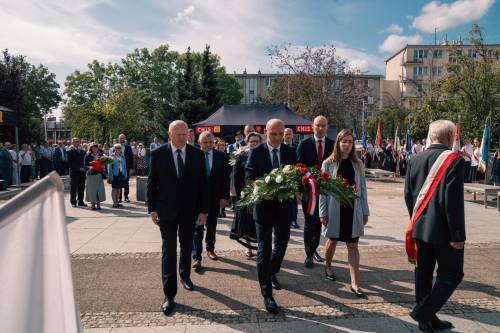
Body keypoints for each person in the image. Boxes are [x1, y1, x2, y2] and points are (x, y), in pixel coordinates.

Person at [404, 120, 465, 333]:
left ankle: (427, 319)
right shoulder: (454, 160)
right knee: (451, 274)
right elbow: (453, 202)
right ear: (450, 138)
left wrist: (417, 220)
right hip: (445, 231)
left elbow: (408, 196)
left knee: (424, 273)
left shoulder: (415, 159)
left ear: (430, 136)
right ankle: (423, 313)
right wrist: (457, 234)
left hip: (420, 226)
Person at [147, 120, 209, 316]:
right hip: (166, 211)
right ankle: (169, 294)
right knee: (169, 250)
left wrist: (203, 210)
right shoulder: (158, 154)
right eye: (178, 134)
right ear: (170, 134)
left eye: (185, 134)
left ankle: (185, 275)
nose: (183, 137)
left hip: (190, 211)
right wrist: (152, 209)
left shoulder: (197, 154)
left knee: (187, 246)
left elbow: (203, 185)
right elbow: (152, 183)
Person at [245, 119, 297, 314]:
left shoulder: (290, 152)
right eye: (272, 133)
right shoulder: (256, 152)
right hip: (263, 208)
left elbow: (296, 176)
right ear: (265, 132)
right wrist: (258, 188)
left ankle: (271, 272)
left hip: (284, 208)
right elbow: (249, 178)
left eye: (279, 134)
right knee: (264, 250)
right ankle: (267, 294)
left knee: (282, 244)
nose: (276, 138)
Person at [319, 129, 370, 298]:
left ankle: (355, 282)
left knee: (353, 244)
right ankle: (328, 266)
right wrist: (322, 212)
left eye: (350, 141)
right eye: (344, 141)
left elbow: (362, 189)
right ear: (338, 143)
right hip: (334, 209)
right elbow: (323, 191)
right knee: (332, 240)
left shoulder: (358, 164)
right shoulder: (328, 163)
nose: (347, 145)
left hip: (352, 209)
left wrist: (365, 211)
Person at [297, 116, 334, 267]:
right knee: (309, 223)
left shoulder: (332, 145)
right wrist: (300, 189)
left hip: (325, 191)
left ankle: (314, 249)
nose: (320, 128)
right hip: (308, 190)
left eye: (323, 126)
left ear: (327, 127)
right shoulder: (303, 144)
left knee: (320, 222)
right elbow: (298, 167)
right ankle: (308, 254)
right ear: (312, 126)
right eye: (317, 125)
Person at [192, 131, 231, 270]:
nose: (208, 145)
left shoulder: (223, 157)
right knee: (197, 227)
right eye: (205, 142)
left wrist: (224, 197)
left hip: (215, 198)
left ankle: (210, 248)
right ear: (199, 143)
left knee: (212, 225)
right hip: (197, 199)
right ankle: (196, 256)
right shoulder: (192, 156)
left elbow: (226, 180)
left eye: (210, 142)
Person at [230, 132, 262, 258]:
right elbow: (236, 176)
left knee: (259, 223)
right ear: (247, 143)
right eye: (251, 141)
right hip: (245, 194)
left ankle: (261, 248)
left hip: (262, 194)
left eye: (256, 141)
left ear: (260, 143)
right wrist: (239, 194)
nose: (253, 143)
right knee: (246, 223)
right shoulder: (242, 156)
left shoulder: (264, 156)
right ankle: (249, 248)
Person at [283, 128, 299, 228]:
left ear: (292, 136)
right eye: (286, 134)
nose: (288, 136)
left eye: (289, 134)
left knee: (293, 200)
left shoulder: (297, 146)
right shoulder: (280, 146)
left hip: (293, 176)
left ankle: (294, 220)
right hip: (282, 176)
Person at [85, 144, 106, 210]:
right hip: (91, 175)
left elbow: (104, 164)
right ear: (91, 149)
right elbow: (85, 165)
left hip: (99, 174)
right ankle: (93, 204)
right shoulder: (87, 156)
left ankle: (98, 204)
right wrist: (90, 167)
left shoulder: (101, 156)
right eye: (94, 148)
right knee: (92, 190)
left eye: (96, 148)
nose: (95, 149)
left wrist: (103, 167)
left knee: (99, 190)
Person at [67, 138, 87, 208]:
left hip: (82, 173)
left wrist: (85, 168)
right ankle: (73, 202)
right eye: (75, 141)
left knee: (81, 187)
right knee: (73, 188)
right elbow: (70, 163)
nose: (77, 143)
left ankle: (80, 201)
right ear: (72, 142)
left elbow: (85, 162)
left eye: (78, 141)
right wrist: (78, 168)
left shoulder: (83, 152)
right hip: (74, 172)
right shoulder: (70, 152)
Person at [108, 144, 127, 208]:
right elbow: (109, 168)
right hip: (114, 174)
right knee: (114, 189)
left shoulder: (123, 156)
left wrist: (125, 174)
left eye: (119, 148)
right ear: (114, 149)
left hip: (121, 174)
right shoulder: (111, 157)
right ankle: (114, 203)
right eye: (117, 148)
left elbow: (124, 166)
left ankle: (117, 202)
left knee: (119, 189)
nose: (118, 149)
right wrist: (110, 176)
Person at [117, 133, 133, 203]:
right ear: (119, 139)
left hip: (126, 167)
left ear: (125, 139)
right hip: (118, 167)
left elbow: (131, 158)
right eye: (120, 138)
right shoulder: (116, 147)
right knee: (119, 182)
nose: (121, 139)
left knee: (126, 182)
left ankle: (126, 196)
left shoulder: (128, 147)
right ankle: (119, 197)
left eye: (123, 138)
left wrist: (131, 168)